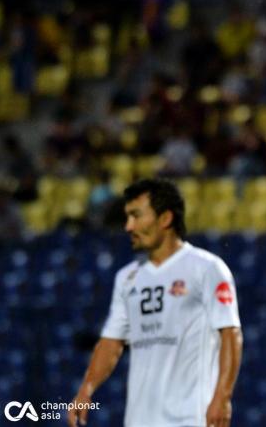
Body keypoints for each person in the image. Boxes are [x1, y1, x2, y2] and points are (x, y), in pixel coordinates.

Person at [68, 178, 243, 427]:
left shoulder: (206, 268)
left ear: (165, 219)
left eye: (136, 216)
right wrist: (87, 388)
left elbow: (230, 333)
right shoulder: (127, 278)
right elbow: (112, 341)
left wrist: (222, 397)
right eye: (127, 217)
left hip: (191, 418)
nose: (128, 226)